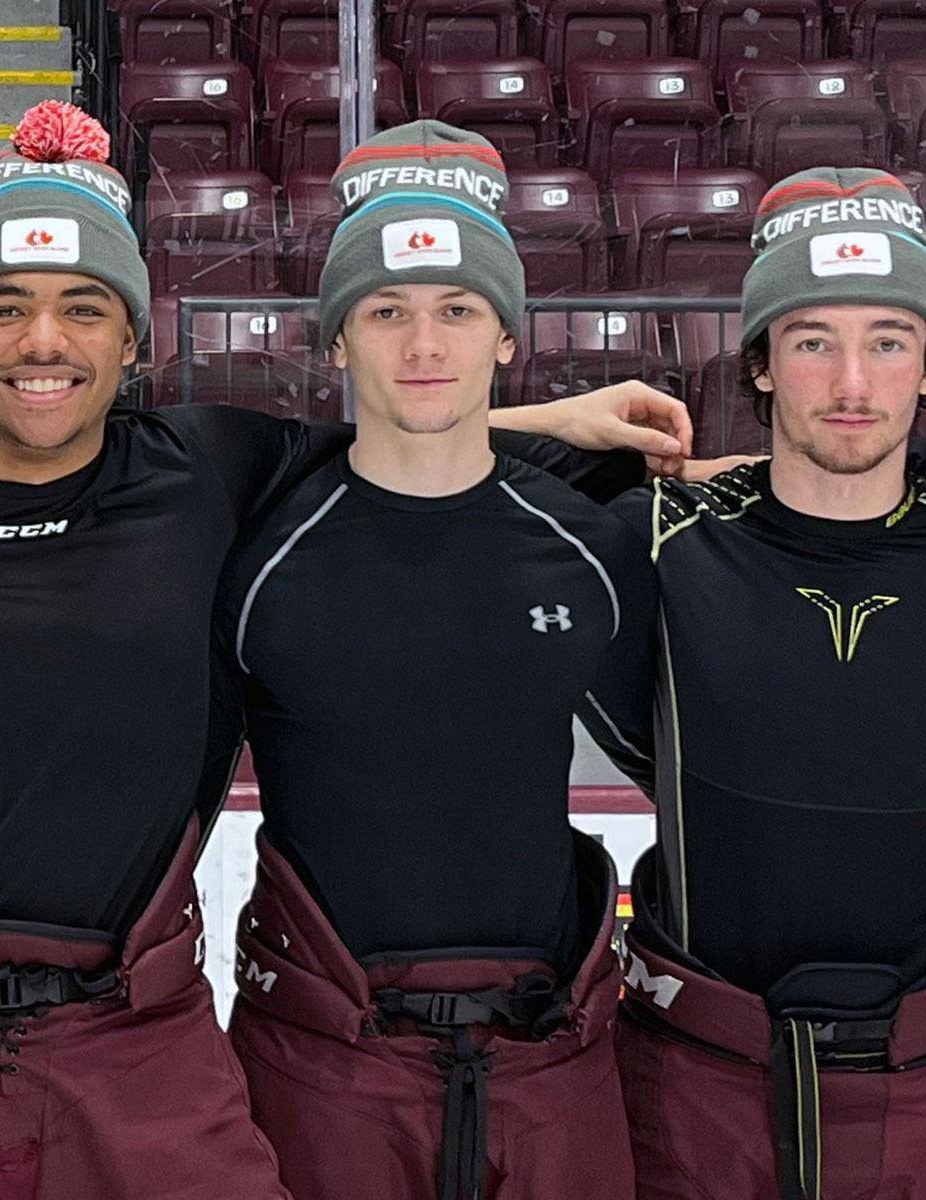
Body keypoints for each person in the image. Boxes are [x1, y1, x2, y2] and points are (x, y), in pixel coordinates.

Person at [0, 101, 687, 1200]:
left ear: (135, 340)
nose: (43, 342)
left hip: (136, 1048)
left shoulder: (205, 475)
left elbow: (401, 436)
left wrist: (570, 423)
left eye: (83, 308)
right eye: (2, 307)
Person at [209, 121, 651, 1200]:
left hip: (546, 1058)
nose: (422, 345)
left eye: (458, 311)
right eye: (386, 312)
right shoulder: (257, 547)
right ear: (336, 339)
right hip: (323, 1061)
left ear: (507, 339)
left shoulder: (585, 547)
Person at [593, 168, 926, 1200]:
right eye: (814, 340)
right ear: (763, 365)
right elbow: (424, 471)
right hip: (700, 1088)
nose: (853, 384)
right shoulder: (653, 537)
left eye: (888, 340)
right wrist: (573, 423)